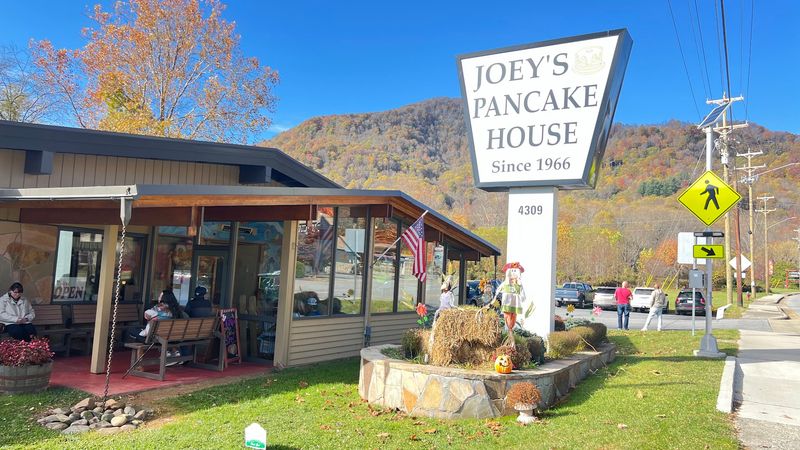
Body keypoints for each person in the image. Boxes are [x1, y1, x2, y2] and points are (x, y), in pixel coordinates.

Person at [496, 262, 527, 345]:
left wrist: (523, 298)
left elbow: (523, 293)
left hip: (515, 304)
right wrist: (495, 297)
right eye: (511, 271)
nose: (513, 274)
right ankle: (509, 333)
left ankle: (510, 333)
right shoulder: (505, 284)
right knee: (507, 318)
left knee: (513, 318)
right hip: (507, 304)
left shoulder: (519, 285)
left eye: (515, 272)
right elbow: (498, 289)